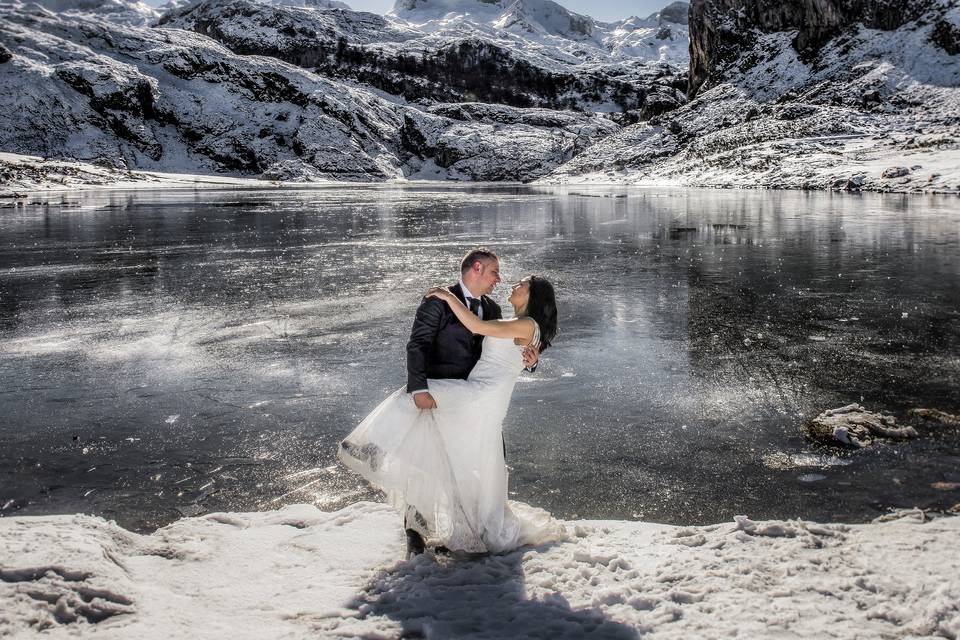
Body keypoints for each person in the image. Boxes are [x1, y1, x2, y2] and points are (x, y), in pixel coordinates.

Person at [337, 253, 564, 555]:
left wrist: (446, 294)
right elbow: (418, 345)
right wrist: (420, 387)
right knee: (429, 455)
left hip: (475, 397)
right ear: (476, 268)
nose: (501, 280)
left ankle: (465, 527)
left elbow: (492, 335)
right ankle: (416, 527)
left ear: (533, 295)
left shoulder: (492, 310)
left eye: (517, 281)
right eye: (495, 272)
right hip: (453, 390)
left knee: (465, 469)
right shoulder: (438, 304)